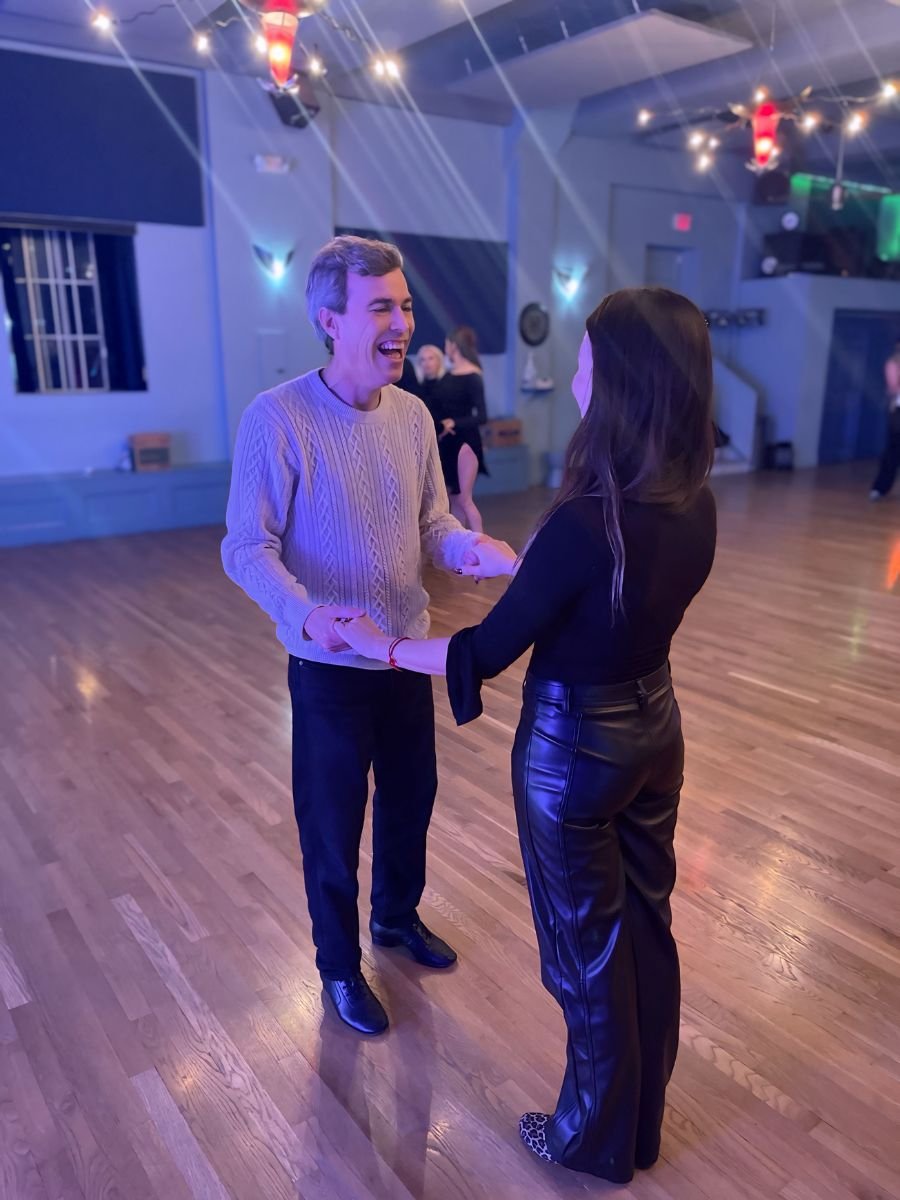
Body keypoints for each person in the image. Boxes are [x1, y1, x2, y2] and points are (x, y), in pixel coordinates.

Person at [338, 287, 718, 1183]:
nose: (577, 368)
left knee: (589, 959)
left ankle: (591, 1141)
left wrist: (379, 643)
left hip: (574, 757)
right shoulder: (691, 501)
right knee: (647, 933)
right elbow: (584, 610)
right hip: (655, 730)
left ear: (620, 378)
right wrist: (504, 558)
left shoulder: (593, 520)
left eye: (589, 354)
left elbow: (485, 651)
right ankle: (639, 1127)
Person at [221, 235, 508, 1036]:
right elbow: (246, 546)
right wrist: (309, 614)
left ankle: (395, 919)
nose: (401, 322)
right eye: (381, 306)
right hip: (329, 665)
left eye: (406, 305)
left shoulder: (414, 414)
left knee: (412, 799)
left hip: (405, 655)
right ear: (330, 319)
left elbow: (432, 522)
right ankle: (339, 968)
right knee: (333, 822)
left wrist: (470, 551)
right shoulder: (276, 418)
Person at [429, 326, 489, 532]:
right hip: (449, 442)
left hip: (465, 442)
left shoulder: (473, 376)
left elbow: (482, 416)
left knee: (464, 499)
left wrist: (454, 422)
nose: (445, 347)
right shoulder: (448, 374)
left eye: (447, 343)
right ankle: (461, 548)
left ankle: (480, 544)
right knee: (453, 499)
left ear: (454, 345)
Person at [870, 339, 900, 500]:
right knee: (893, 450)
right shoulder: (892, 364)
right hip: (897, 411)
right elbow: (893, 387)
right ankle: (879, 488)